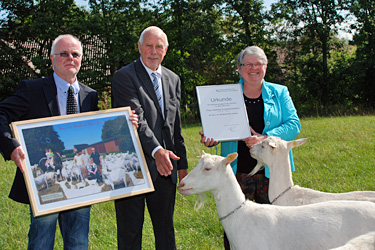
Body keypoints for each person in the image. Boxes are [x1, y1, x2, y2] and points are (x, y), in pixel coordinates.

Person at [0, 34, 138, 250]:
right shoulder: (32, 89)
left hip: (81, 186)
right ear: (52, 59)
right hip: (44, 187)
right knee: (41, 239)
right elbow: (1, 114)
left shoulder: (89, 95)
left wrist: (125, 123)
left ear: (81, 59)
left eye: (75, 54)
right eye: (63, 54)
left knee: (79, 240)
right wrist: (11, 146)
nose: (70, 58)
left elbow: (93, 133)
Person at [199, 46, 301, 250]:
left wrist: (265, 138)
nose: (253, 68)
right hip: (237, 172)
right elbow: (219, 130)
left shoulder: (280, 92)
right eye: (248, 64)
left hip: (272, 173)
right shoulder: (224, 95)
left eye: (258, 64)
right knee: (236, 227)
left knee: (275, 226)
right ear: (239, 68)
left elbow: (293, 125)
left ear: (265, 67)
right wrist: (212, 138)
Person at [112, 26, 188, 250]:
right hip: (131, 166)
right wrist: (157, 151)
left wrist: (181, 164)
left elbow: (175, 126)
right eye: (149, 46)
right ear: (139, 47)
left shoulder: (173, 79)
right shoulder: (124, 76)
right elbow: (137, 119)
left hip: (166, 169)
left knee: (165, 230)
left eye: (159, 47)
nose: (153, 51)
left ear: (166, 50)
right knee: (130, 232)